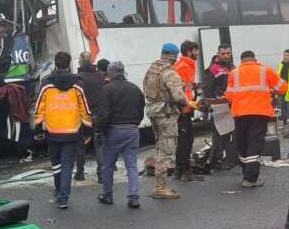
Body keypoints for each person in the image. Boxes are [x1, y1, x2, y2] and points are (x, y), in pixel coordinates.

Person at [35, 51, 92, 209]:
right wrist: (88, 131)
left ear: (55, 63)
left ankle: (58, 190)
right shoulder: (77, 84)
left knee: (56, 163)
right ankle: (63, 197)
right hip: (72, 131)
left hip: (53, 132)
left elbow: (40, 107)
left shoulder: (46, 84)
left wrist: (38, 129)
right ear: (69, 64)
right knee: (67, 164)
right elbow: (84, 109)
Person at [225, 51, 287, 187]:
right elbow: (282, 88)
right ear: (255, 59)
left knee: (243, 142)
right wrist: (270, 90)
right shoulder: (265, 70)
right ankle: (251, 179)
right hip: (260, 112)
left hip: (240, 113)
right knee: (255, 142)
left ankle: (247, 173)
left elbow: (229, 96)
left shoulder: (233, 73)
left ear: (241, 61)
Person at [143, 43, 197, 199]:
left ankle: (160, 186)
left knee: (160, 146)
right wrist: (189, 103)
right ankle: (160, 188)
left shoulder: (152, 69)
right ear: (174, 56)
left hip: (153, 112)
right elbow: (178, 96)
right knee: (167, 149)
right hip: (166, 114)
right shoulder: (169, 73)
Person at [96, 61, 145, 208]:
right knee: (131, 165)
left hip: (113, 131)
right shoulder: (135, 89)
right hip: (132, 130)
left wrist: (99, 130)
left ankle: (107, 195)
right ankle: (133, 196)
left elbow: (103, 114)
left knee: (108, 165)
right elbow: (141, 110)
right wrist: (134, 123)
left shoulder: (107, 90)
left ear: (110, 73)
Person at [173, 40, 204, 182]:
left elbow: (185, 86)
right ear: (189, 52)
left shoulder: (186, 65)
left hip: (185, 107)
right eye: (196, 50)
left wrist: (194, 87)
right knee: (185, 141)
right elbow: (179, 90)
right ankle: (184, 171)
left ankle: (180, 171)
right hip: (182, 109)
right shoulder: (184, 66)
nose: (197, 53)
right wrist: (191, 103)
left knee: (184, 140)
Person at [74, 51, 105, 182]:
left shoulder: (77, 78)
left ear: (80, 62)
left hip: (83, 116)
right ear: (91, 61)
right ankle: (101, 174)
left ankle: (80, 173)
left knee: (80, 145)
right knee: (99, 145)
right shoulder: (100, 76)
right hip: (98, 114)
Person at [207, 44, 235, 169]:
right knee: (219, 133)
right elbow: (208, 88)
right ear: (218, 54)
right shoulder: (213, 69)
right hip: (218, 104)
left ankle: (225, 157)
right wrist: (210, 104)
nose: (226, 55)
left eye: (228, 53)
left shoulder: (232, 67)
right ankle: (215, 160)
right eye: (223, 53)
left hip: (231, 104)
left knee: (228, 132)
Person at [276, 49, 289, 125]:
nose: (285, 57)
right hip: (281, 91)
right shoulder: (280, 64)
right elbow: (276, 77)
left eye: (287, 55)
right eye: (284, 55)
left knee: (288, 109)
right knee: (280, 108)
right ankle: (282, 125)